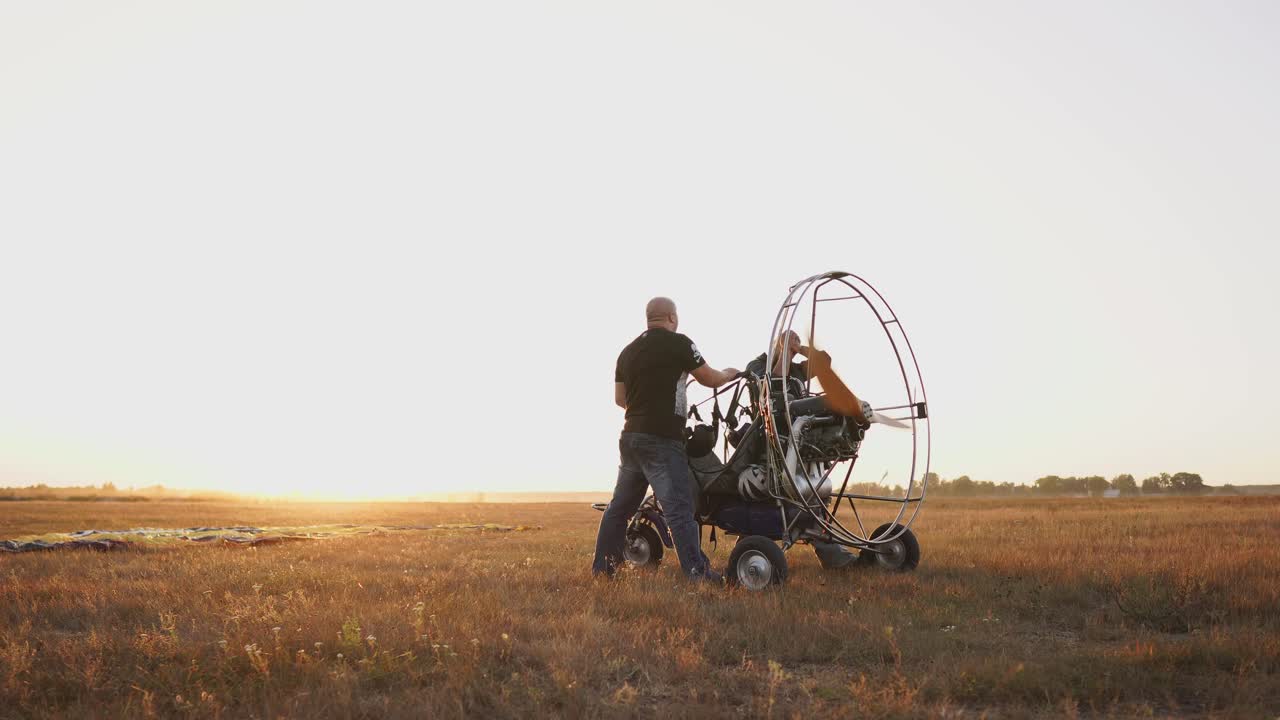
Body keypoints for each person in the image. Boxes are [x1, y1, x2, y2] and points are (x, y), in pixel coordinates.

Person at [592, 297, 740, 581]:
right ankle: (698, 573)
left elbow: (619, 399)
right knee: (679, 509)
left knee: (620, 508)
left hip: (631, 437)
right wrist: (728, 375)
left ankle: (603, 570)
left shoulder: (627, 352)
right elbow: (708, 378)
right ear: (671, 317)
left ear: (649, 318)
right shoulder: (680, 343)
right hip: (663, 439)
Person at [745, 330, 859, 570]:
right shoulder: (757, 364)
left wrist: (800, 348)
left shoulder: (798, 369)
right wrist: (785, 351)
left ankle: (831, 551)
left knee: (815, 492)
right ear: (776, 342)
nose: (793, 344)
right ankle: (755, 540)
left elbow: (824, 360)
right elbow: (774, 380)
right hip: (771, 442)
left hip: (802, 440)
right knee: (782, 492)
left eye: (796, 340)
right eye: (789, 339)